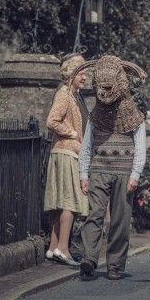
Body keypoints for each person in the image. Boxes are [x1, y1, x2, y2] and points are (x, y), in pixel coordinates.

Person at [76, 56, 147, 281]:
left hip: (125, 172)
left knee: (120, 219)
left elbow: (140, 148)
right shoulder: (95, 116)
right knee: (94, 214)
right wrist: (83, 174)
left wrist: (135, 174)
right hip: (98, 169)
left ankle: (114, 265)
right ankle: (89, 258)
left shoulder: (135, 117)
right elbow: (87, 146)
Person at [44, 59, 89, 266]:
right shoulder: (64, 94)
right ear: (72, 75)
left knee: (61, 202)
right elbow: (52, 121)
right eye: (82, 74)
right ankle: (63, 248)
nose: (85, 77)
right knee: (70, 201)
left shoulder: (72, 95)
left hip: (65, 152)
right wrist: (71, 133)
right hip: (66, 153)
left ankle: (53, 248)